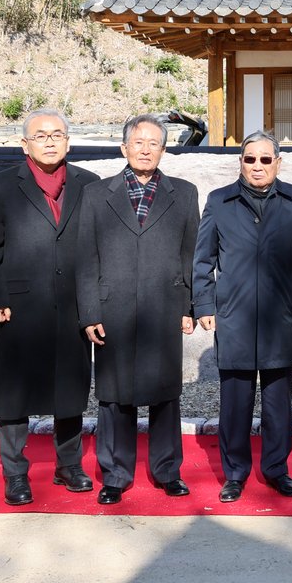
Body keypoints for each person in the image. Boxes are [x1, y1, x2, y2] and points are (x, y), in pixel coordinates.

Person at [0, 109, 98, 506]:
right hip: (20, 305)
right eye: (40, 135)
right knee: (15, 393)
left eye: (57, 134)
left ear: (68, 140)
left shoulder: (89, 184)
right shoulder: (0, 186)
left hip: (74, 302)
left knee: (70, 388)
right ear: (24, 143)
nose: (50, 141)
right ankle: (14, 473)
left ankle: (69, 465)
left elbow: (98, 248)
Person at [76, 114, 199, 505]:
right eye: (138, 142)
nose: (146, 149)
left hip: (164, 306)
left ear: (164, 150)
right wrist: (90, 312)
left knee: (166, 394)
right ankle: (115, 474)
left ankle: (168, 470)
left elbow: (189, 255)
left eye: (154, 143)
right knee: (114, 395)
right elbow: (85, 258)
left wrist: (188, 306)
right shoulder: (97, 194)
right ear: (124, 147)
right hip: (113, 309)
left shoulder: (184, 192)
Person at [193, 130, 292, 503]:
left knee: (279, 404)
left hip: (281, 318)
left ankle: (277, 469)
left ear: (278, 162)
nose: (257, 166)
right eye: (250, 159)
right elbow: (202, 260)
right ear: (240, 162)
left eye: (265, 159)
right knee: (235, 404)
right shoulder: (220, 201)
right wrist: (205, 305)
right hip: (235, 318)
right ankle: (236, 473)